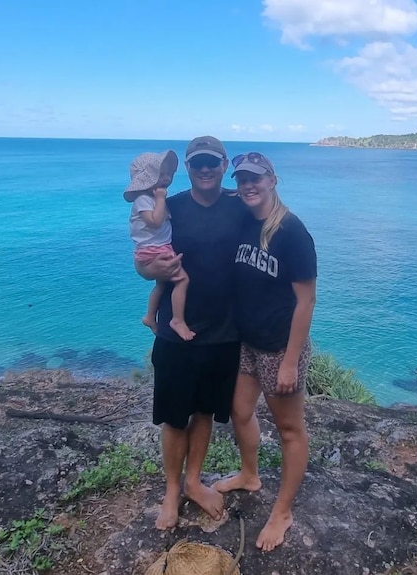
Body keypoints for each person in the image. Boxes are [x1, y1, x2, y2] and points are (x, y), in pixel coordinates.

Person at [134, 136, 247, 530]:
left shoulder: (240, 205)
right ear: (187, 165)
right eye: (197, 162)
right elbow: (143, 260)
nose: (204, 169)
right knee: (174, 417)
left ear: (224, 164)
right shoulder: (173, 208)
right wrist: (152, 272)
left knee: (203, 413)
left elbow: (273, 230)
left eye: (212, 163)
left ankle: (194, 482)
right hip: (173, 332)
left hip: (224, 332)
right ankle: (171, 492)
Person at [213, 152, 317, 552]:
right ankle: (250, 475)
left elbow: (306, 301)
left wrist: (290, 361)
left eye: (256, 178)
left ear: (274, 179)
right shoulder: (243, 217)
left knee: (290, 430)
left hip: (278, 346)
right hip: (247, 340)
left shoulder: (292, 232)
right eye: (242, 179)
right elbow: (214, 193)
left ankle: (283, 512)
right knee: (239, 412)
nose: (248, 185)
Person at [124, 150, 195, 341]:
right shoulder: (144, 200)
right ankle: (177, 320)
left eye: (168, 174)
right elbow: (154, 222)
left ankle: (149, 316)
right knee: (182, 280)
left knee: (162, 284)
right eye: (160, 174)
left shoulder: (152, 200)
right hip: (155, 250)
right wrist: (162, 199)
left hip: (155, 249)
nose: (166, 179)